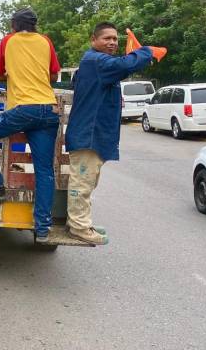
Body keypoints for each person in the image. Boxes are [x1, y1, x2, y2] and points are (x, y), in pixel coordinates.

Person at [0, 8, 61, 244]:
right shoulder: (46, 41)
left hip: (24, 109)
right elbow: (53, 75)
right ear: (34, 26)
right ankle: (42, 229)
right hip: (49, 109)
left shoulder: (8, 41)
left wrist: (13, 74)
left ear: (14, 25)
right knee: (44, 171)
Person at [64, 22, 155, 245]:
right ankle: (79, 227)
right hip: (88, 135)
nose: (113, 42)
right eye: (107, 38)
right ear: (93, 40)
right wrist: (147, 51)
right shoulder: (96, 61)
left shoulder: (99, 64)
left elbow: (121, 67)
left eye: (115, 39)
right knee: (82, 183)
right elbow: (126, 64)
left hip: (92, 134)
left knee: (87, 181)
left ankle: (78, 222)